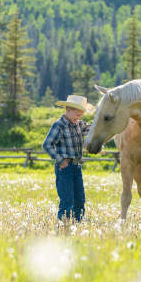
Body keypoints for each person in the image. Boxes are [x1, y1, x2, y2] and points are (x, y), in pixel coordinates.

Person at [42, 95, 94, 223]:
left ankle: (78, 225)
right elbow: (47, 144)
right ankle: (63, 226)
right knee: (67, 200)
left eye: (81, 113)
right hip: (65, 168)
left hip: (77, 167)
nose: (80, 116)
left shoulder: (79, 124)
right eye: (77, 113)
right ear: (68, 110)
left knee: (80, 200)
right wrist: (61, 160)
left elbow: (92, 129)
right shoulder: (59, 125)